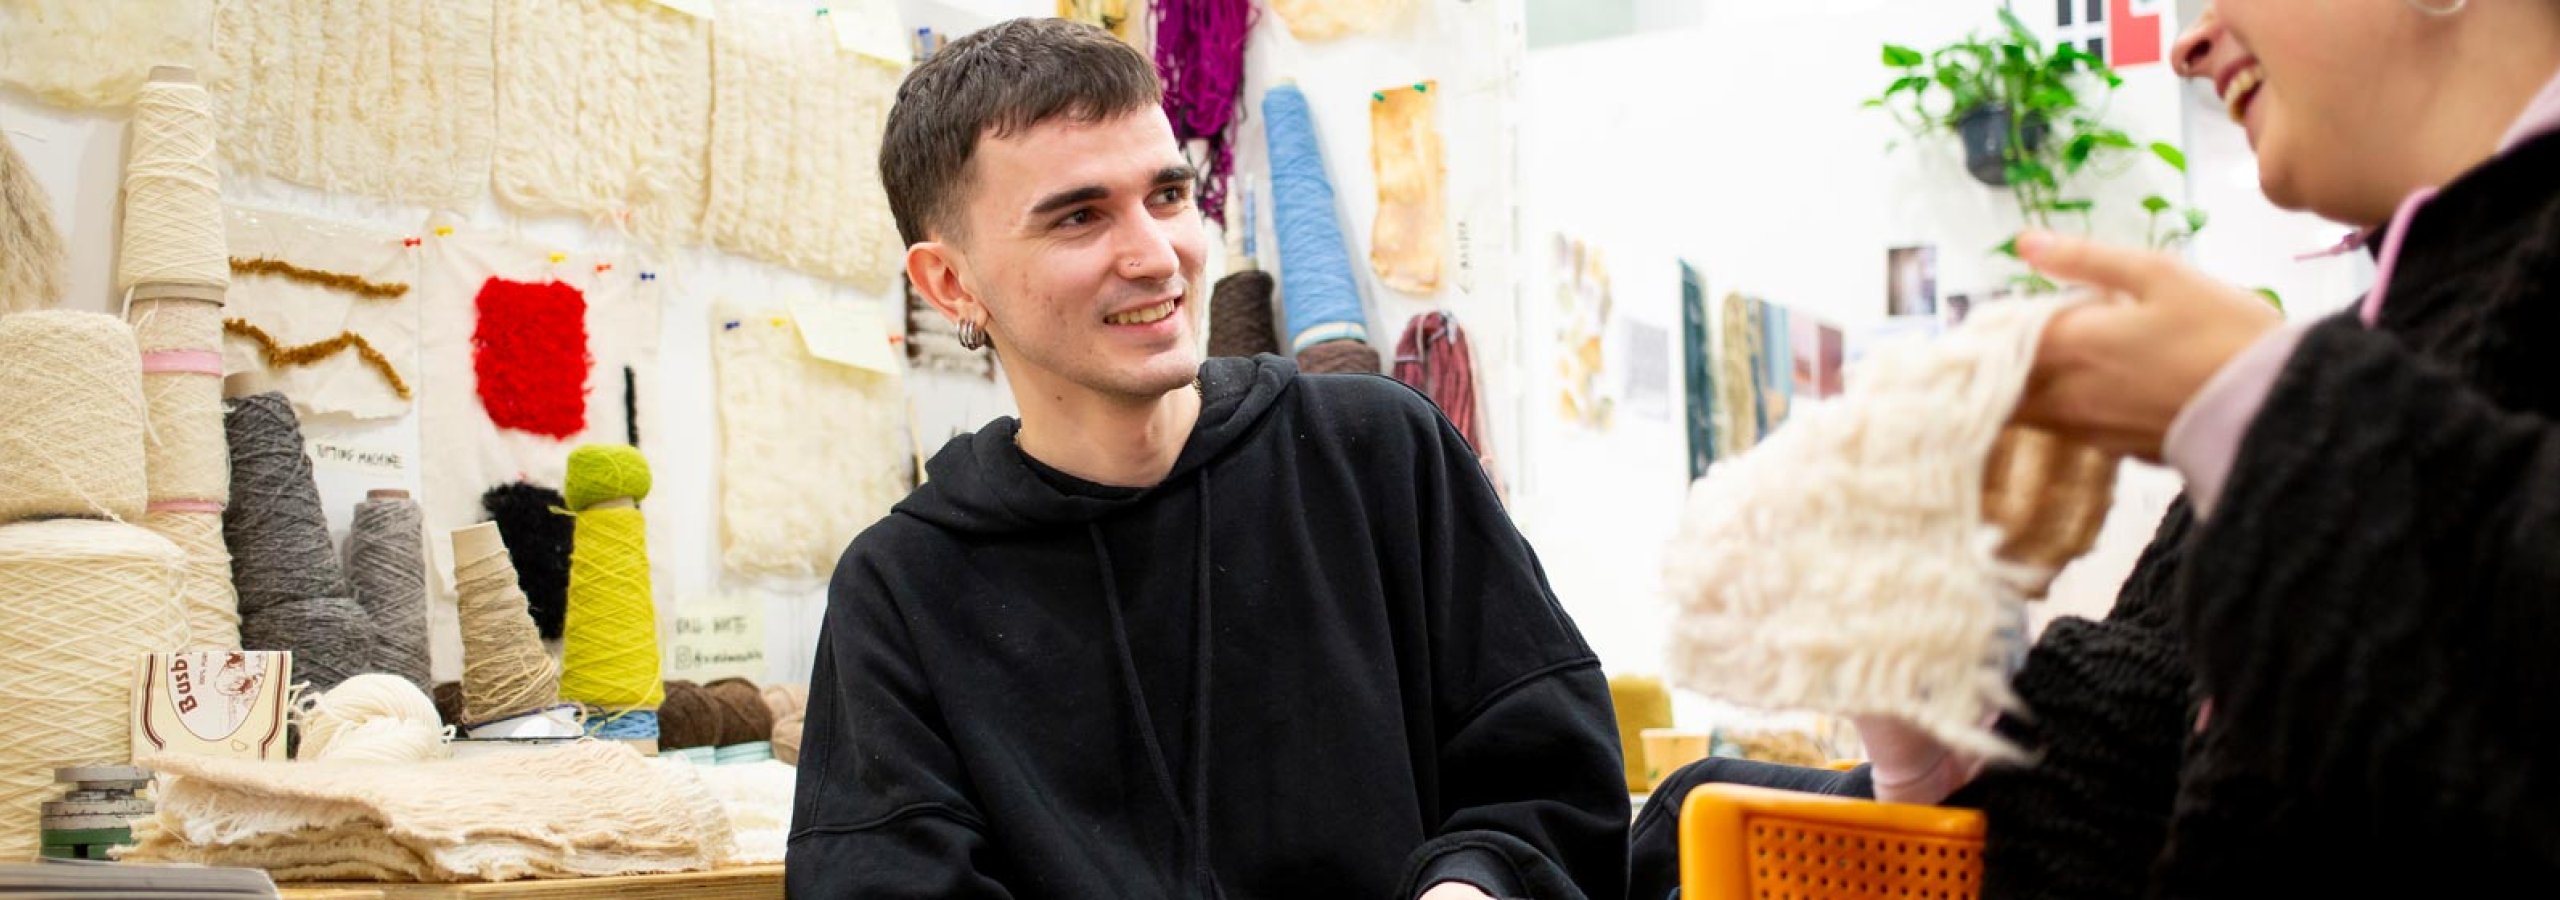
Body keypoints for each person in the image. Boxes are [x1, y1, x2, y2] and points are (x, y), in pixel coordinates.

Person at [1635, 0, 2560, 895]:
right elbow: (2146, 775)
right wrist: (1950, 728)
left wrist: (2264, 415)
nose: (2188, 46)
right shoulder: (2385, 340)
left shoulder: (2357, 381)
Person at [783, 18, 1627, 900]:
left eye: (1168, 195)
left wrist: (1474, 886)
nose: (1157, 256)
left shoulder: (1380, 455)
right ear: (951, 284)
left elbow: (1552, 776)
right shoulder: (903, 587)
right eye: (1079, 217)